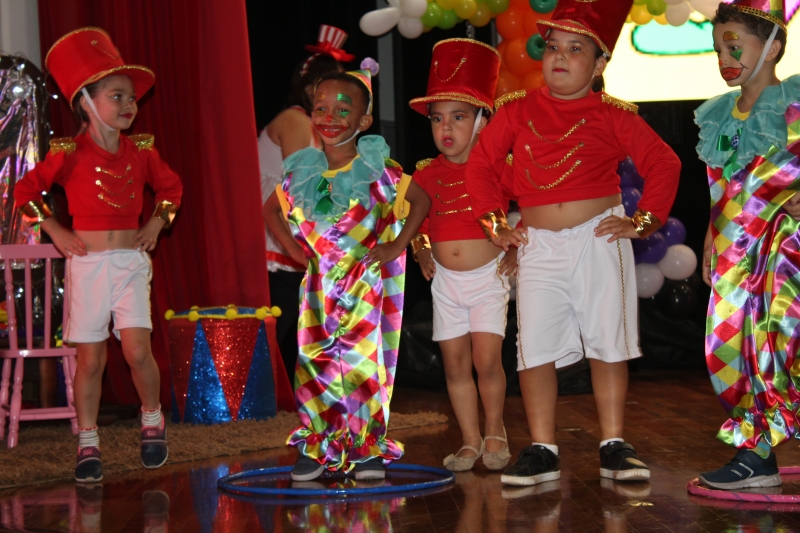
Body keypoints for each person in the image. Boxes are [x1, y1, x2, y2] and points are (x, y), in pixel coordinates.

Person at [465, 0, 681, 486]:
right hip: (538, 244)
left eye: (576, 49)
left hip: (598, 240)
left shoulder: (613, 115)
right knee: (533, 347)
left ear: (600, 63)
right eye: (553, 47)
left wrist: (643, 221)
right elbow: (480, 166)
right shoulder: (516, 110)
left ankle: (614, 445)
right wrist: (496, 225)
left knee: (608, 341)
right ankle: (543, 448)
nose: (560, 57)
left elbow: (664, 162)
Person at [14, 28, 182, 483]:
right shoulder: (68, 152)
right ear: (86, 103)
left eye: (131, 98)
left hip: (129, 265)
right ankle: (88, 441)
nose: (129, 105)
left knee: (137, 351)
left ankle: (152, 418)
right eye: (116, 96)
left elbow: (171, 189)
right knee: (91, 361)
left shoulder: (142, 151)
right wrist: (54, 229)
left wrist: (155, 223)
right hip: (88, 266)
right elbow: (24, 192)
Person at [263, 59, 431, 481]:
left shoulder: (377, 171)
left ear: (364, 120)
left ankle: (365, 447)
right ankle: (317, 445)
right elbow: (271, 209)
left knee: (362, 363)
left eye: (343, 109)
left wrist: (396, 245)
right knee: (314, 361)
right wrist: (295, 251)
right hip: (318, 290)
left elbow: (422, 200)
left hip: (364, 287)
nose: (330, 117)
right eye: (321, 108)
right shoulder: (303, 172)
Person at [695, 0, 800, 490]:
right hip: (735, 258)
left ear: (773, 47)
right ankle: (756, 454)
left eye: (734, 45)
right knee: (731, 348)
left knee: (785, 343)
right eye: (717, 47)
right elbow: (723, 189)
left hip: (786, 253)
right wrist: (710, 239)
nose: (724, 57)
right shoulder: (721, 115)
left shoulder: (796, 106)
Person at [408, 38, 515, 472]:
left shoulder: (499, 168)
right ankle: (470, 440)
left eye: (459, 117)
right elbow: (416, 222)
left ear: (482, 121)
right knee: (454, 365)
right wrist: (421, 249)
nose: (446, 128)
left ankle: (495, 430)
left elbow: (533, 205)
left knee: (486, 361)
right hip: (446, 284)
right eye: (437, 119)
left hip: (487, 279)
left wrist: (516, 248)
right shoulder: (425, 175)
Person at [258, 25, 352, 379]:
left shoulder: (318, 127)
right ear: (312, 89)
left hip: (295, 234)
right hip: (277, 235)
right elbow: (300, 188)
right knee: (280, 325)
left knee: (299, 332)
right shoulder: (296, 120)